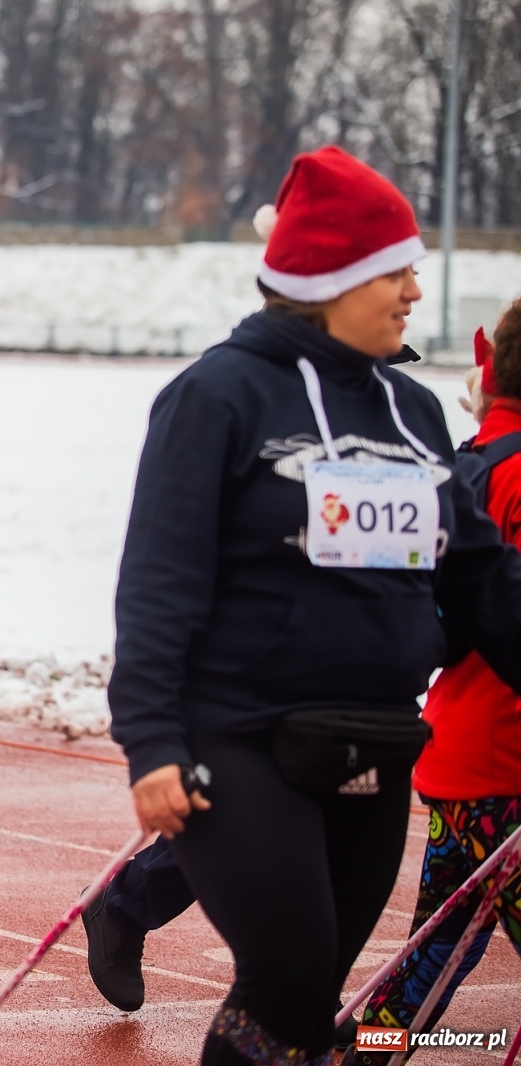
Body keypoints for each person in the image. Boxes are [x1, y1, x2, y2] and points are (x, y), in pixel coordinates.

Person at [108, 146, 521, 1066]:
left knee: (310, 991)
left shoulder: (414, 412)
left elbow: (482, 579)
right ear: (334, 277)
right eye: (396, 270)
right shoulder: (217, 396)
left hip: (376, 737)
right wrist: (151, 738)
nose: (416, 291)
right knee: (289, 966)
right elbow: (159, 578)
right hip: (240, 738)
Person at [341, 304, 521, 1066]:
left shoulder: (472, 462)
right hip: (504, 765)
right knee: (433, 956)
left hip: (463, 755)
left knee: (429, 963)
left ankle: (365, 1053)